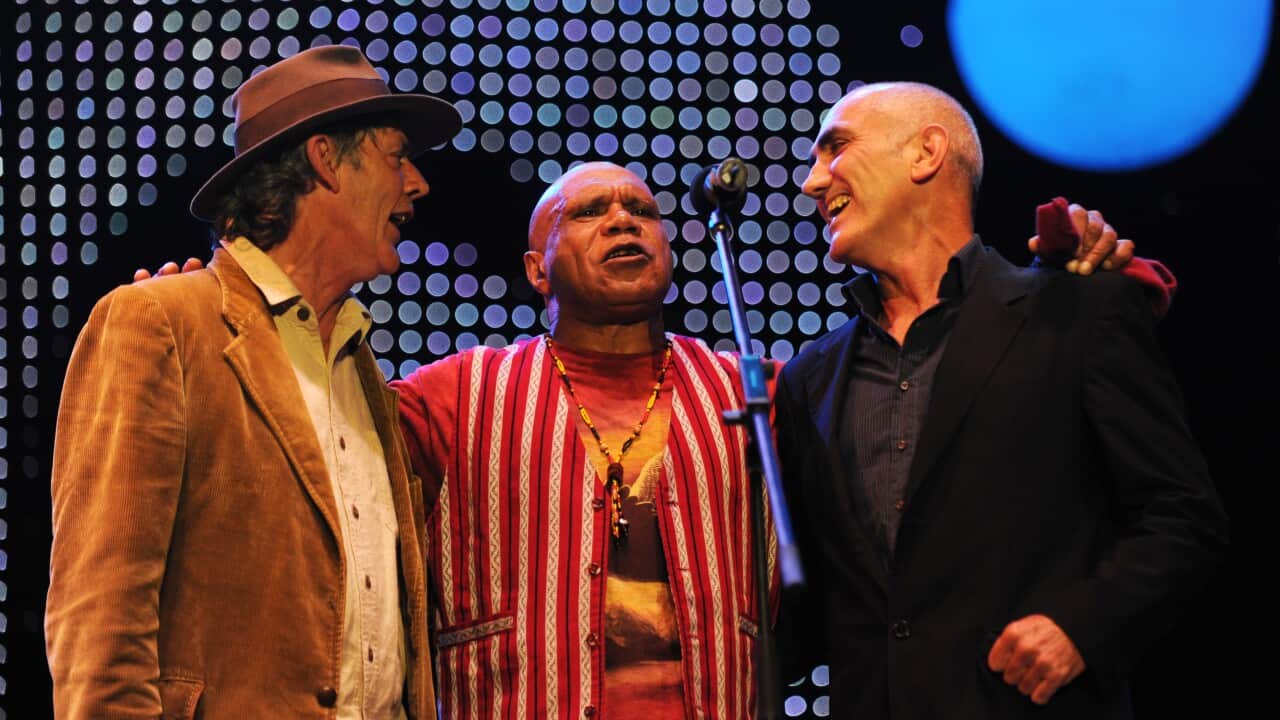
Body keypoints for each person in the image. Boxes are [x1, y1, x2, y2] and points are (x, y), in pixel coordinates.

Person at [388, 160, 1144, 719]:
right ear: (536, 270)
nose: (623, 221)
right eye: (588, 213)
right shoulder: (459, 390)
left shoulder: (762, 390)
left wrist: (1093, 287)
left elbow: (936, 401)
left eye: (641, 211)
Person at [773, 81, 1228, 718]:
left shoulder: (1076, 311)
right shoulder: (809, 376)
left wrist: (1081, 627)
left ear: (926, 153)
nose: (813, 183)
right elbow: (816, 601)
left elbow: (1182, 517)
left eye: (835, 148)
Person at [45, 45, 461, 720]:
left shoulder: (365, 378)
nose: (418, 183)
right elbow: (101, 622)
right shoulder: (159, 324)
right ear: (326, 160)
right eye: (396, 156)